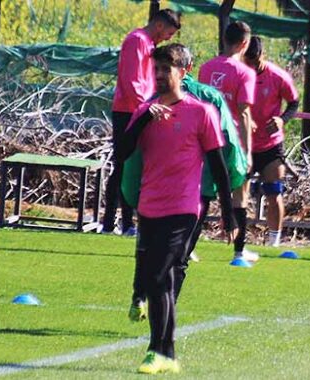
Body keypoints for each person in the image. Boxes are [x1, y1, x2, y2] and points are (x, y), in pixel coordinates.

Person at [117, 44, 237, 374]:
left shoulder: (202, 112)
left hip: (184, 209)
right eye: (154, 69)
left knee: (156, 276)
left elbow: (218, 163)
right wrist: (143, 122)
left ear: (183, 72)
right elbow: (122, 152)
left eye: (165, 69)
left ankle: (155, 350)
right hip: (149, 207)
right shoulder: (146, 111)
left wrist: (228, 213)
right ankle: (169, 354)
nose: (158, 75)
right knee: (164, 280)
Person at [103, 9, 181, 235]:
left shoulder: (150, 45)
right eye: (169, 32)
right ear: (159, 26)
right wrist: (147, 109)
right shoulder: (137, 40)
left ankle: (127, 223)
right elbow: (131, 82)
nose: (168, 37)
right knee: (122, 165)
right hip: (129, 112)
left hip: (143, 110)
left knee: (133, 167)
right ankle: (112, 223)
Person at [199, 21, 259, 262]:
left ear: (224, 38)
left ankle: (188, 245)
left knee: (201, 192)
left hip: (204, 135)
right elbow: (243, 113)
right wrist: (248, 151)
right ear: (244, 44)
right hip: (231, 141)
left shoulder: (206, 67)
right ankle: (239, 251)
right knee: (239, 194)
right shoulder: (245, 73)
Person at [243, 36, 299, 247]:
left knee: (274, 192)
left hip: (270, 145)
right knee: (239, 192)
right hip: (244, 144)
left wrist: (281, 119)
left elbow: (293, 103)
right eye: (247, 60)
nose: (251, 65)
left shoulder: (277, 76)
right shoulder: (240, 74)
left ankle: (274, 240)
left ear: (262, 55)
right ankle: (237, 238)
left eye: (255, 59)